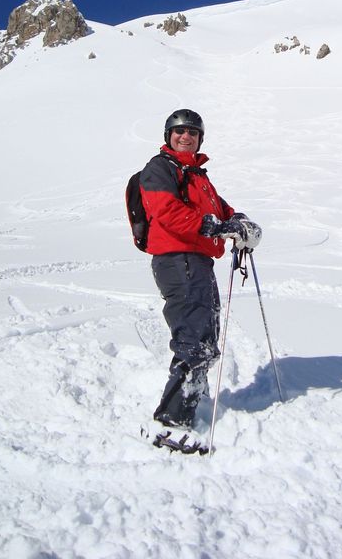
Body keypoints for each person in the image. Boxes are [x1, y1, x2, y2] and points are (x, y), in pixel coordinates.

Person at [139, 108, 261, 449]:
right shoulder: (160, 169)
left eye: (192, 132)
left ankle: (193, 399)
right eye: (179, 131)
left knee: (206, 334)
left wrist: (238, 221)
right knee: (193, 339)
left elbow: (221, 211)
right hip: (176, 261)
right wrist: (213, 226)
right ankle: (170, 424)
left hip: (198, 262)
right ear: (168, 136)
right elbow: (166, 212)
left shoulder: (197, 177)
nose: (185, 136)